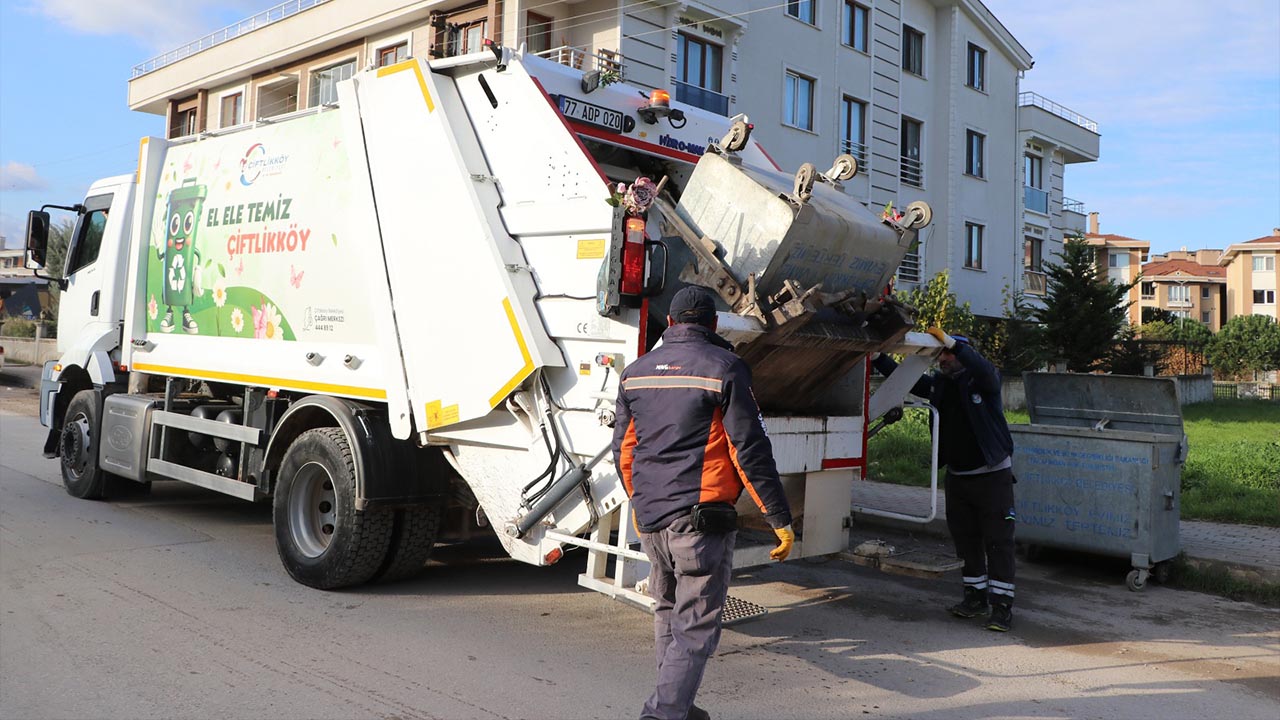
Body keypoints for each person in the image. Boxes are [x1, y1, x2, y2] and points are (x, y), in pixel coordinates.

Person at [613, 285, 795, 720]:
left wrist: (640, 505)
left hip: (653, 519)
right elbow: (747, 448)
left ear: (671, 324)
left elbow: (624, 449)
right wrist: (779, 518)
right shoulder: (725, 367)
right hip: (699, 523)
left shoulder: (635, 372)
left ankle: (677, 705)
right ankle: (663, 713)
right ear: (713, 325)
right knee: (695, 626)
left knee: (668, 611)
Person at [873, 327, 1017, 632]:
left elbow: (986, 370)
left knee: (998, 541)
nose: (944, 358)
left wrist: (956, 344)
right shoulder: (940, 385)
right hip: (958, 477)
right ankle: (975, 598)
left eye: (950, 353)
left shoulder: (983, 380)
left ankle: (1002, 607)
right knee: (966, 540)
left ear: (965, 355)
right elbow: (908, 380)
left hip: (992, 477)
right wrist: (877, 358)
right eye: (942, 354)